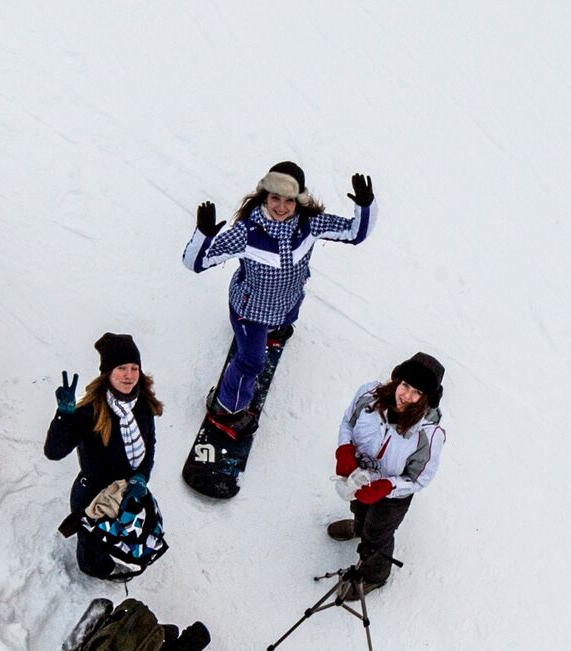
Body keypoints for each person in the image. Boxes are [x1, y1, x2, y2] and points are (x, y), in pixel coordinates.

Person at [182, 160, 377, 434]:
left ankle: (274, 330)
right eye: (275, 198)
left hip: (288, 300)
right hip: (249, 312)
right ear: (265, 196)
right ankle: (225, 408)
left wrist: (365, 205)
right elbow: (195, 264)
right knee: (251, 362)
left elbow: (355, 233)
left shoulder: (309, 225)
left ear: (299, 201)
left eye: (289, 200)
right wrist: (204, 235)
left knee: (290, 314)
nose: (281, 207)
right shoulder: (246, 234)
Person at [45, 333, 163, 579]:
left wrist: (141, 478)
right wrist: (64, 415)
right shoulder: (90, 411)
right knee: (94, 561)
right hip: (94, 498)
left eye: (134, 368)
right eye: (121, 368)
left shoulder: (142, 404)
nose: (129, 375)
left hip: (128, 493)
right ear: (108, 372)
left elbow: (148, 446)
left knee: (125, 539)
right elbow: (54, 452)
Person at [327, 353, 446, 597]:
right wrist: (344, 449)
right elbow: (348, 422)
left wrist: (386, 487)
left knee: (378, 534)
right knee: (358, 507)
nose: (406, 396)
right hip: (359, 475)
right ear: (397, 380)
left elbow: (418, 478)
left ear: (426, 399)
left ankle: (374, 575)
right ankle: (358, 527)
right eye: (405, 385)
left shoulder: (429, 435)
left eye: (417, 393)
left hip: (392, 494)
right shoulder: (369, 394)